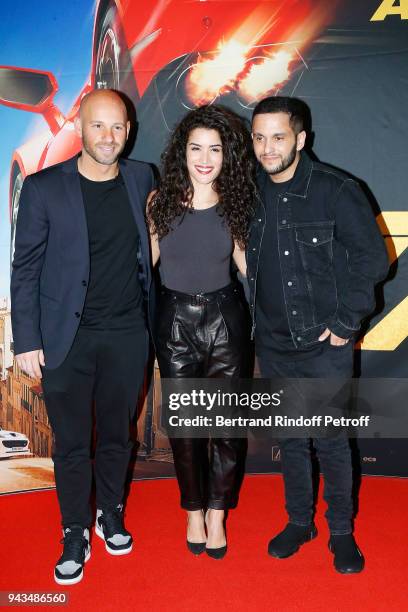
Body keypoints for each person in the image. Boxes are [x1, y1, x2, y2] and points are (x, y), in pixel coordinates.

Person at [11, 89, 154, 585]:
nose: (108, 137)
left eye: (117, 127)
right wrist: (25, 339)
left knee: (118, 435)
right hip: (63, 338)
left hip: (127, 333)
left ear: (128, 131)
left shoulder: (142, 179)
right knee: (72, 442)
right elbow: (24, 268)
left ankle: (109, 511)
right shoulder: (45, 187)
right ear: (81, 129)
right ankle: (75, 529)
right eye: (98, 126)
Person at [247, 96, 389, 573]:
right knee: (290, 440)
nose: (268, 148)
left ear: (301, 139)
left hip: (325, 343)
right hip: (273, 343)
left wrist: (346, 322)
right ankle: (300, 522)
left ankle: (342, 533)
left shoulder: (336, 189)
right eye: (260, 137)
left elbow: (372, 258)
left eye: (279, 137)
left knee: (330, 440)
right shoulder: (251, 191)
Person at [148, 105, 255, 559]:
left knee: (228, 426)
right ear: (182, 153)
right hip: (173, 323)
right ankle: (192, 509)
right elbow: (145, 264)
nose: (205, 158)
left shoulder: (236, 203)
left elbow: (248, 267)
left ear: (227, 155)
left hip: (226, 321)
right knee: (187, 428)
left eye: (215, 148)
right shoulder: (160, 202)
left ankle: (217, 512)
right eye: (196, 148)